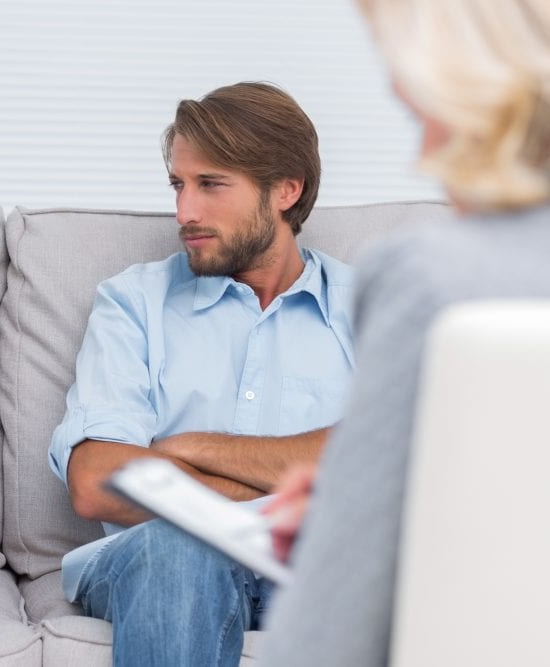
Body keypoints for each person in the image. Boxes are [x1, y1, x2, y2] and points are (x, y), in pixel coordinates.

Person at [260, 0, 550, 664]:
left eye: (421, 116)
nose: (426, 158)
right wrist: (397, 503)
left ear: (493, 103)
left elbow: (320, 649)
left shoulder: (436, 280)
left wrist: (347, 542)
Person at [48, 81, 356, 666]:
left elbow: (388, 466)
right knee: (183, 545)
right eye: (178, 185)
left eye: (211, 185)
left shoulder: (371, 308)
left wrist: (189, 449)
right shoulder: (134, 302)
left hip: (322, 571)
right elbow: (96, 481)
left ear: (286, 190)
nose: (184, 211)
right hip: (158, 565)